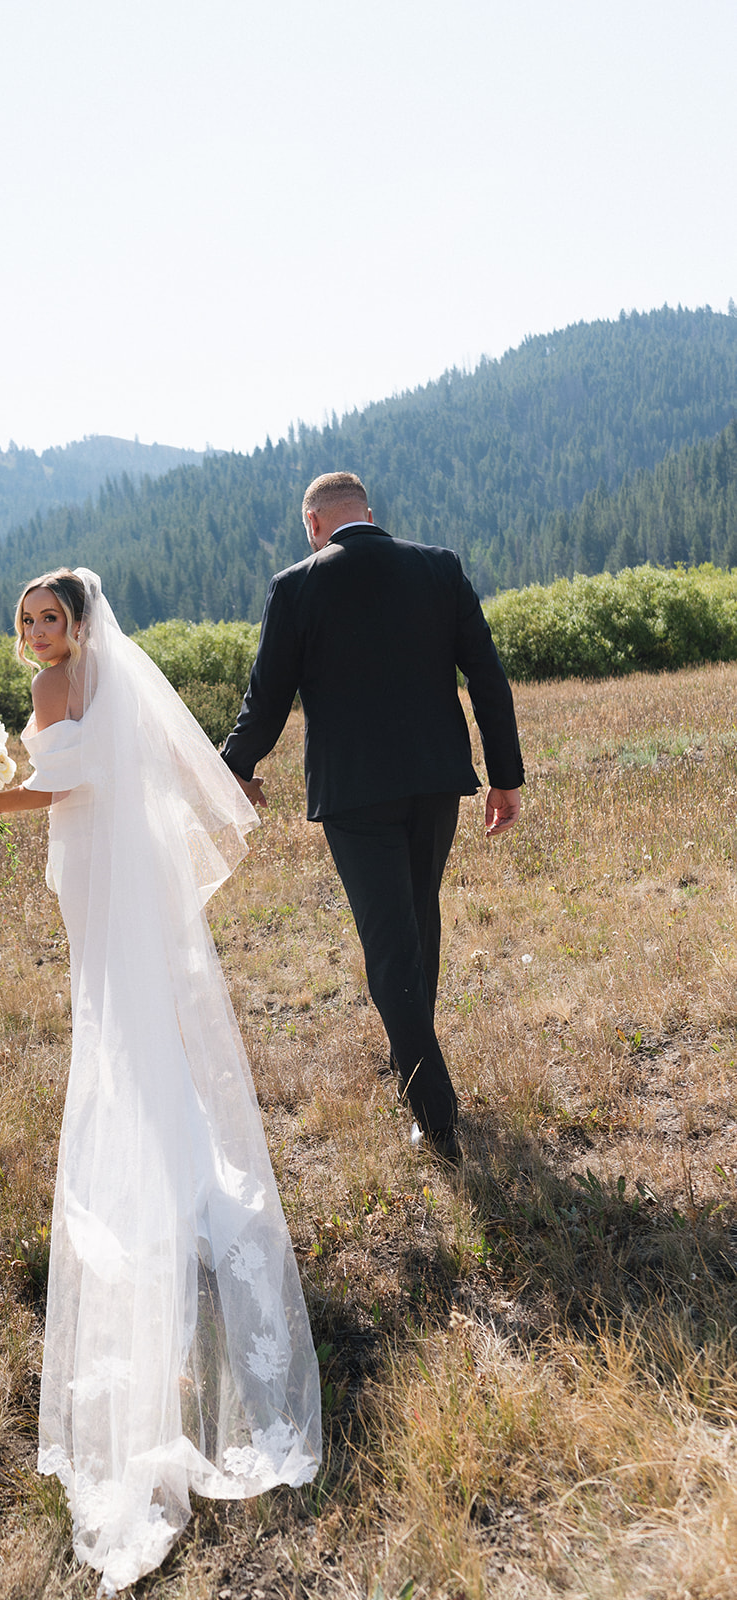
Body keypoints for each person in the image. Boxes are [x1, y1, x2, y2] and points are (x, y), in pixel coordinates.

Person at [0, 568, 321, 1595]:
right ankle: (179, 1162)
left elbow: (67, 782)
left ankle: (161, 1175)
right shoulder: (107, 677)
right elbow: (165, 753)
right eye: (29, 619)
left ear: (79, 622)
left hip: (101, 866)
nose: (40, 632)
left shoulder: (66, 686)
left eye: (53, 617)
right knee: (133, 1023)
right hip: (104, 872)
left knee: (123, 1026)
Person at [221, 472, 524, 1166]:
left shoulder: (295, 584)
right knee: (417, 920)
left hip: (353, 793)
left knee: (390, 942)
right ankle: (409, 1063)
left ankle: (435, 1115)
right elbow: (486, 676)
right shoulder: (436, 567)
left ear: (312, 523)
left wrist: (233, 766)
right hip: (434, 782)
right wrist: (504, 777)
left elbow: (266, 697)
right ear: (368, 514)